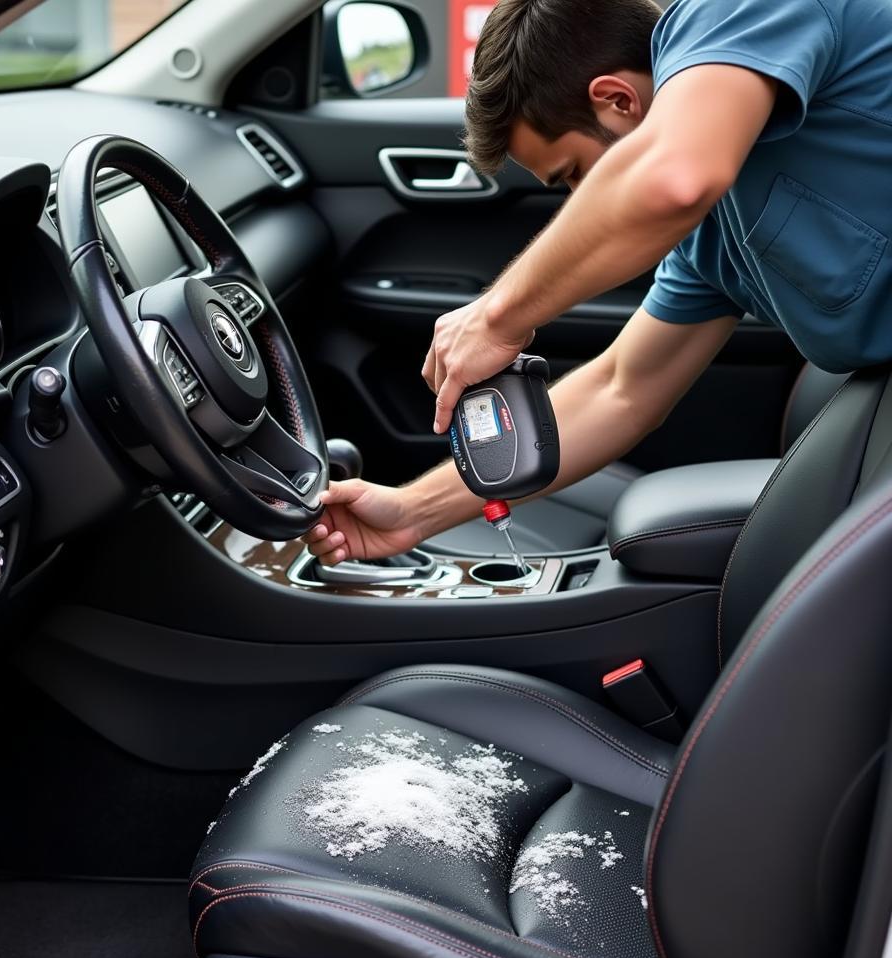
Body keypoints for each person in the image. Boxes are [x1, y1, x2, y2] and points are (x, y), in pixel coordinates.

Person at [304, 0, 892, 566]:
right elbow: (622, 390)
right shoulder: (712, 240)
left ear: (617, 99)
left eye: (577, 175)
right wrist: (413, 511)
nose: (582, 202)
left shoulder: (736, 9)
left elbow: (672, 178)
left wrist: (496, 316)